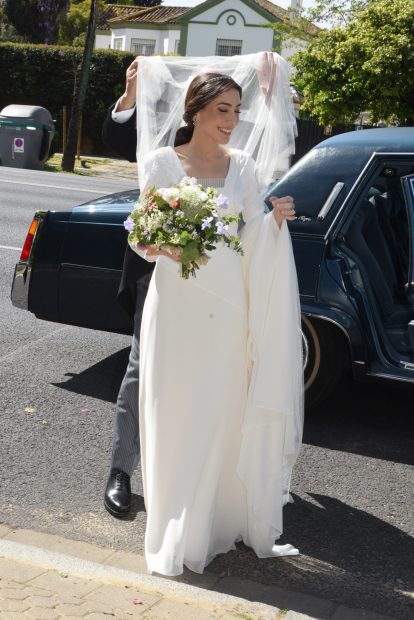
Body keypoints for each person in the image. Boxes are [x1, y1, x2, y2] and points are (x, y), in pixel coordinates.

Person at [130, 66, 304, 576]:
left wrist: (275, 220)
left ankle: (217, 518)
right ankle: (177, 520)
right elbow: (140, 238)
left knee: (222, 406)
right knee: (178, 404)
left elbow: (253, 233)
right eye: (222, 110)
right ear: (197, 111)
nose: (232, 120)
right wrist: (169, 244)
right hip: (178, 301)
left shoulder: (244, 166)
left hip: (228, 302)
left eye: (236, 110)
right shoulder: (163, 163)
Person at [102, 58, 149, 518]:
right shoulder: (159, 146)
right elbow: (117, 140)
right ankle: (121, 470)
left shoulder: (235, 150)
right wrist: (131, 96)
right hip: (155, 273)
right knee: (138, 372)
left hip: (217, 283)